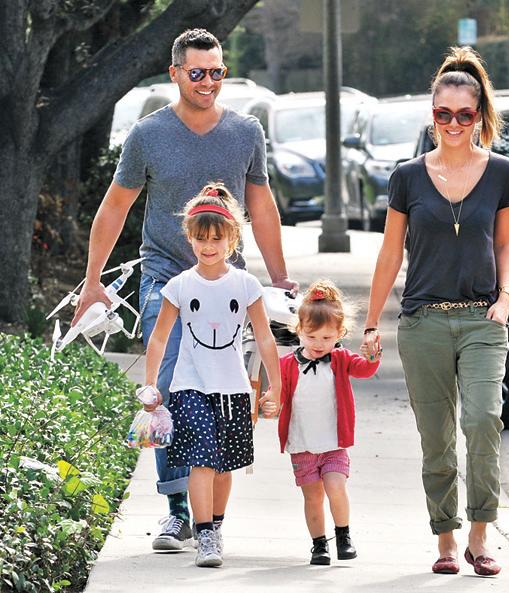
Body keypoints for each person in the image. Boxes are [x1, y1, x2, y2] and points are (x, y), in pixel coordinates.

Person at [73, 28, 297, 552]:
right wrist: (92, 282)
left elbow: (261, 206)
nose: (208, 82)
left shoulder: (246, 132)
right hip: (164, 279)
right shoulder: (148, 135)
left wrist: (280, 276)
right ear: (174, 73)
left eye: (217, 72)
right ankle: (178, 512)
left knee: (218, 397)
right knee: (170, 388)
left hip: (227, 288)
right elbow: (115, 206)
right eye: (197, 72)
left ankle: (208, 515)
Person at [362, 46, 509, 577]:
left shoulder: (501, 172)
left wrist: (505, 297)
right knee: (437, 438)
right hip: (423, 321)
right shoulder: (407, 176)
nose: (453, 123)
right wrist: (369, 322)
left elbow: (502, 244)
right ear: (432, 116)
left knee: (483, 420)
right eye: (443, 114)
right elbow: (389, 252)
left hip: (481, 319)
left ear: (479, 117)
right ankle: (446, 538)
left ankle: (481, 533)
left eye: (464, 115)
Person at [142, 183, 281, 567]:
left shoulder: (246, 285)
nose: (208, 245)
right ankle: (204, 535)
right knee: (201, 461)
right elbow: (158, 339)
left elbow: (266, 340)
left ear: (232, 238)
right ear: (189, 238)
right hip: (191, 387)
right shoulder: (179, 286)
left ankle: (215, 526)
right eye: (201, 238)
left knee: (223, 467)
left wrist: (277, 387)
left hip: (234, 389)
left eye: (216, 238)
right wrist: (152, 385)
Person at [265, 280, 381, 566]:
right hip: (302, 443)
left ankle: (343, 535)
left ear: (340, 334)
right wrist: (269, 404)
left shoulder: (342, 359)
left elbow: (365, 370)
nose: (319, 344)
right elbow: (275, 395)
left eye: (327, 338)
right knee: (313, 497)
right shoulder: (287, 365)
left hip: (333, 443)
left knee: (335, 487)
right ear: (298, 330)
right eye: (312, 336)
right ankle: (319, 544)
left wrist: (373, 354)